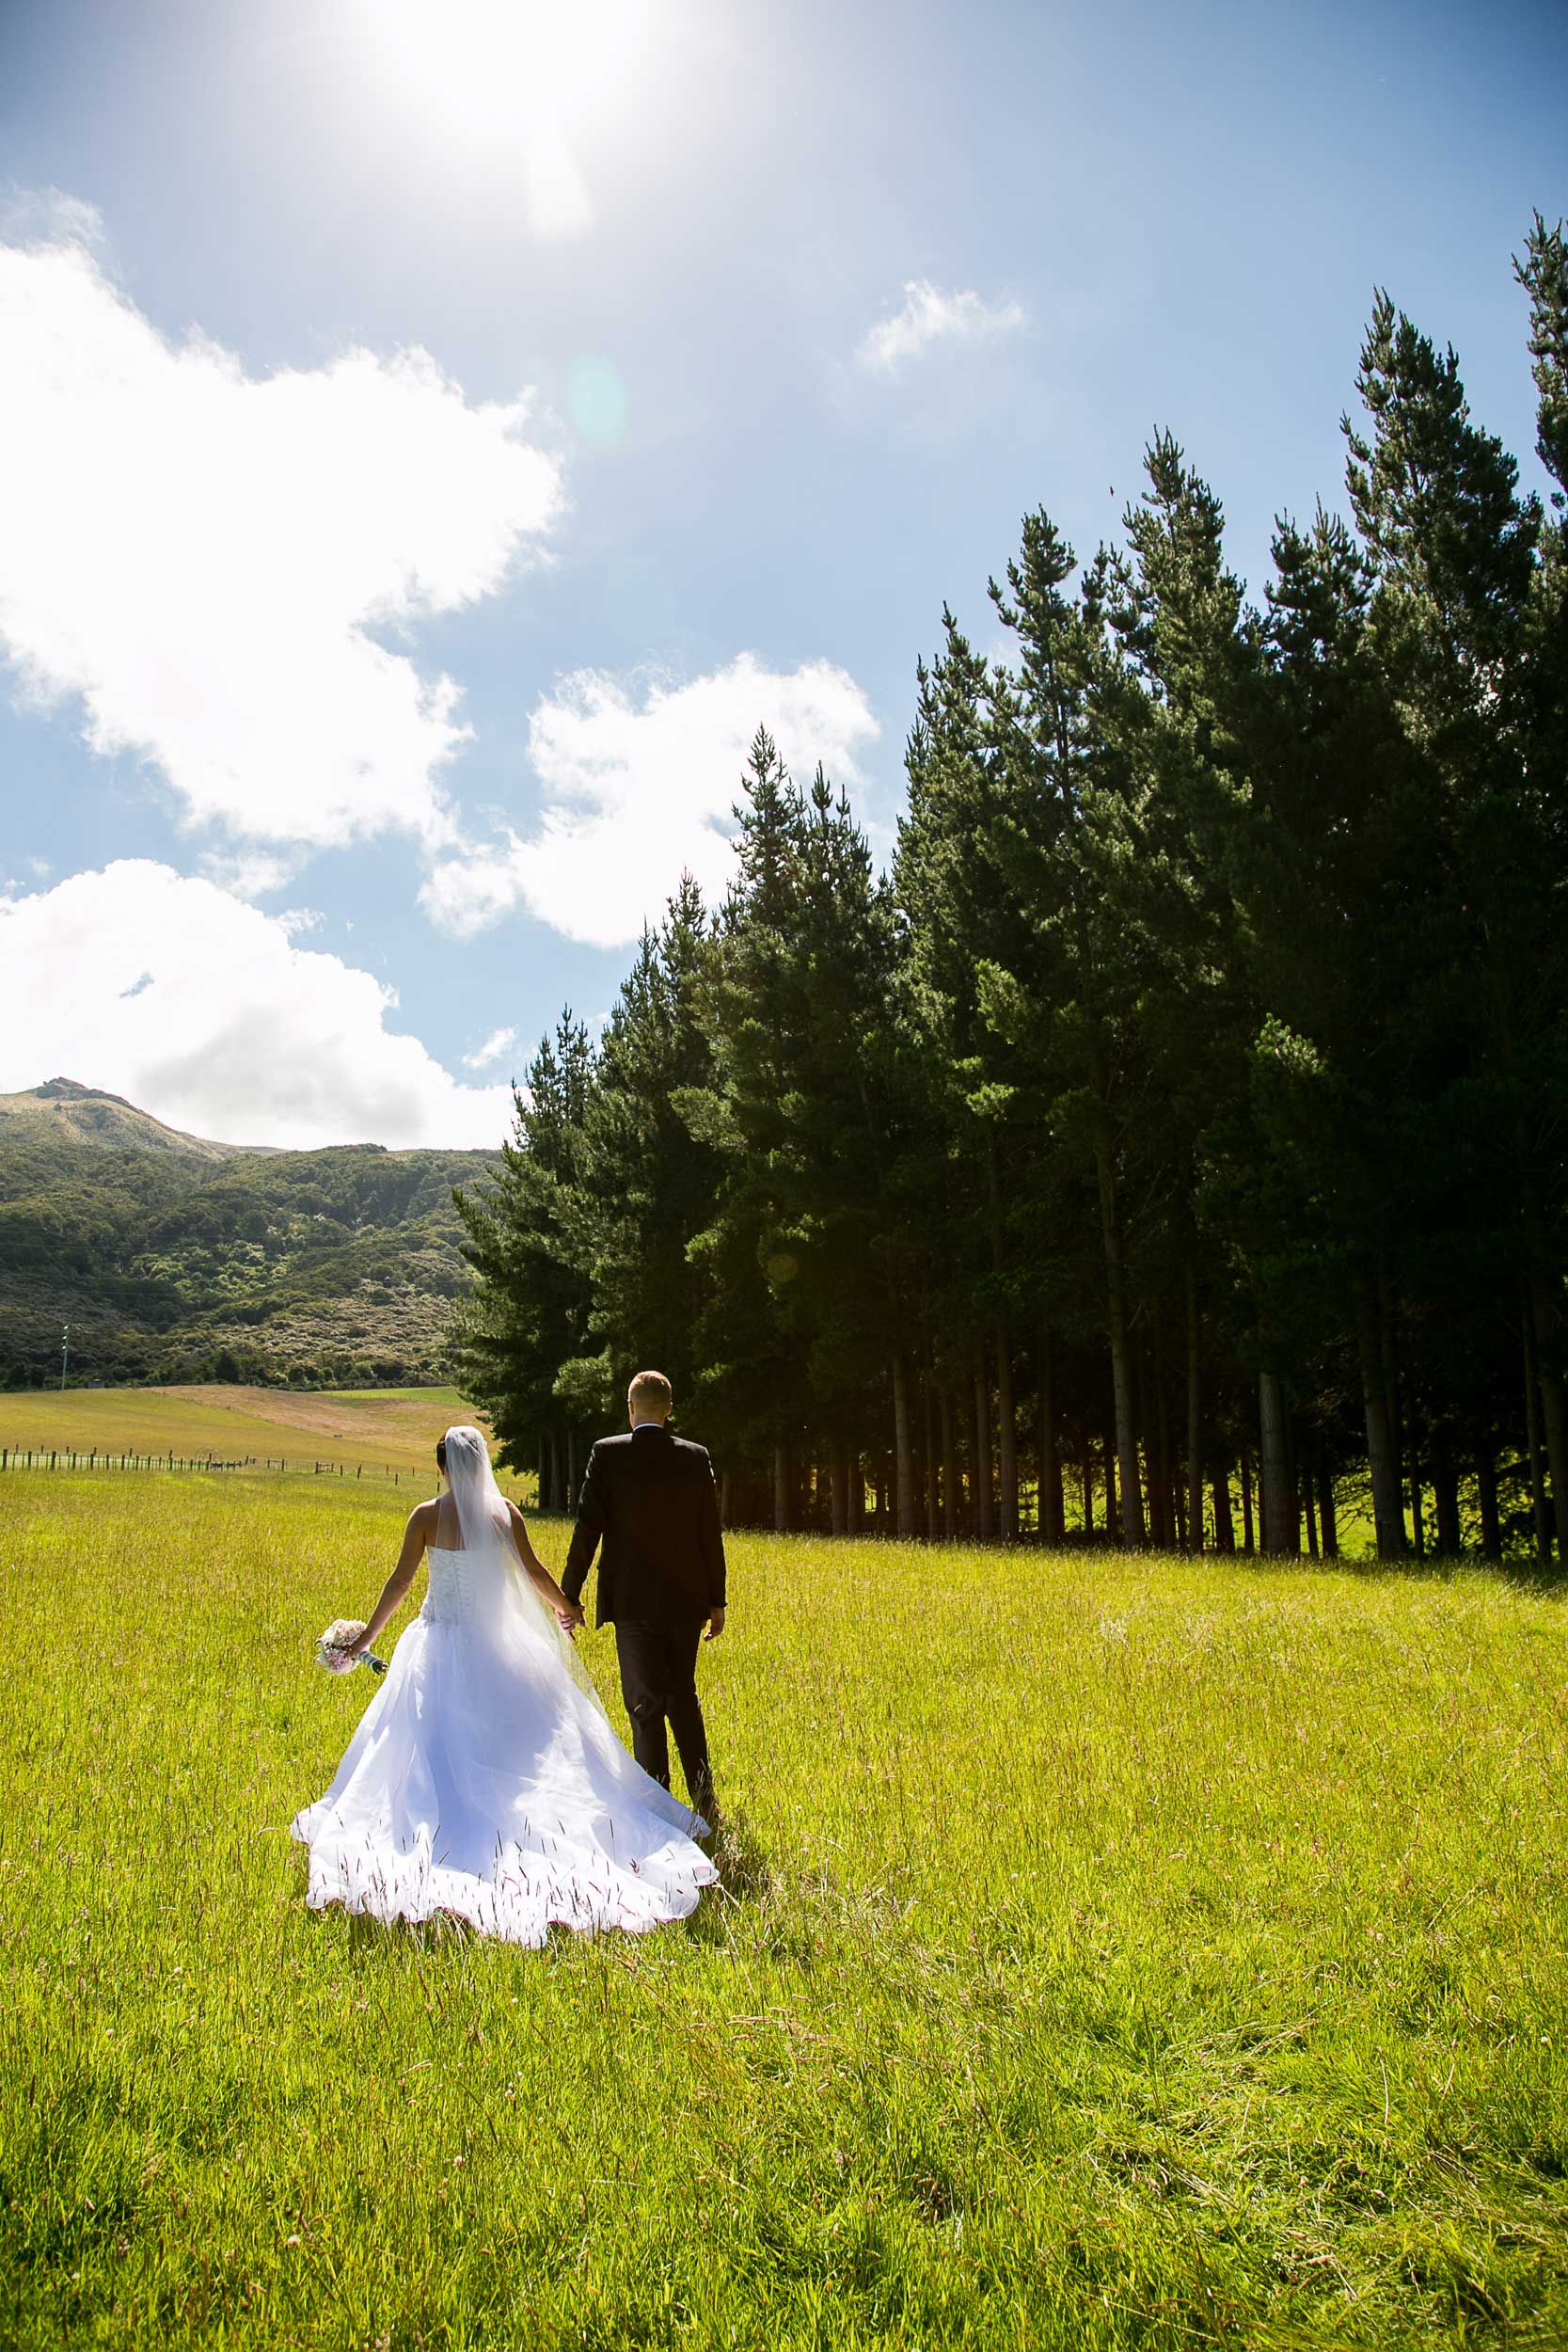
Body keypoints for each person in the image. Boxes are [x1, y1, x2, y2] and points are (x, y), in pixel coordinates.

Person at [291, 1423, 715, 1944]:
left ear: (443, 1467)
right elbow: (533, 1573)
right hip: (500, 1646)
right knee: (521, 1749)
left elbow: (400, 1583)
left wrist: (363, 1642)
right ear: (482, 1466)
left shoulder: (425, 1517)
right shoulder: (503, 1515)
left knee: (425, 1744)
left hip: (439, 1643)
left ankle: (440, 1831)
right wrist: (567, 1607)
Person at [563, 1370, 725, 1824]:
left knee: (644, 1705)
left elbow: (587, 1528)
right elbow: (709, 1534)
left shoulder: (607, 1454)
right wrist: (718, 1600)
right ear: (669, 1410)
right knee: (683, 1698)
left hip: (631, 1602)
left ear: (630, 1408)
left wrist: (569, 1595)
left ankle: (659, 1810)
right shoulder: (695, 1458)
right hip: (685, 1601)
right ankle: (705, 1800)